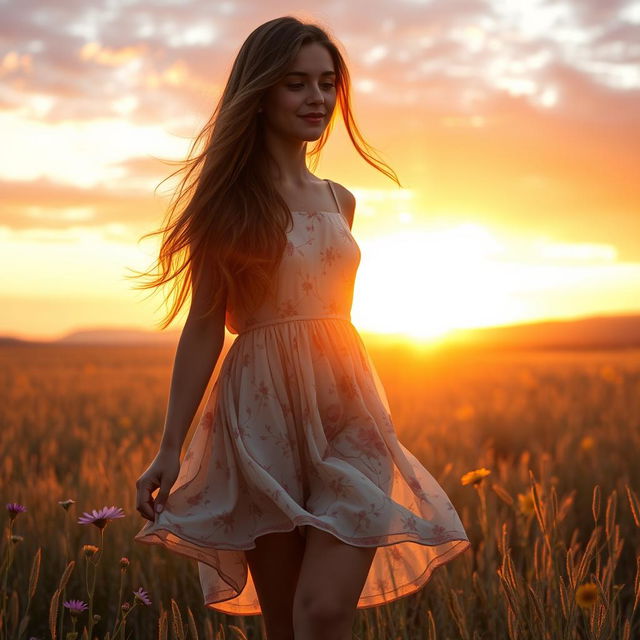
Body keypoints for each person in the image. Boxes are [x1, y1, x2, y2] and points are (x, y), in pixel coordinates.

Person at [133, 15, 470, 640]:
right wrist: (170, 447)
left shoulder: (341, 200)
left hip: (349, 413)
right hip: (260, 423)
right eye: (295, 83)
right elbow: (204, 328)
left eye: (325, 82)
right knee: (286, 624)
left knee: (323, 610)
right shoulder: (229, 205)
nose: (316, 98)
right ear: (259, 94)